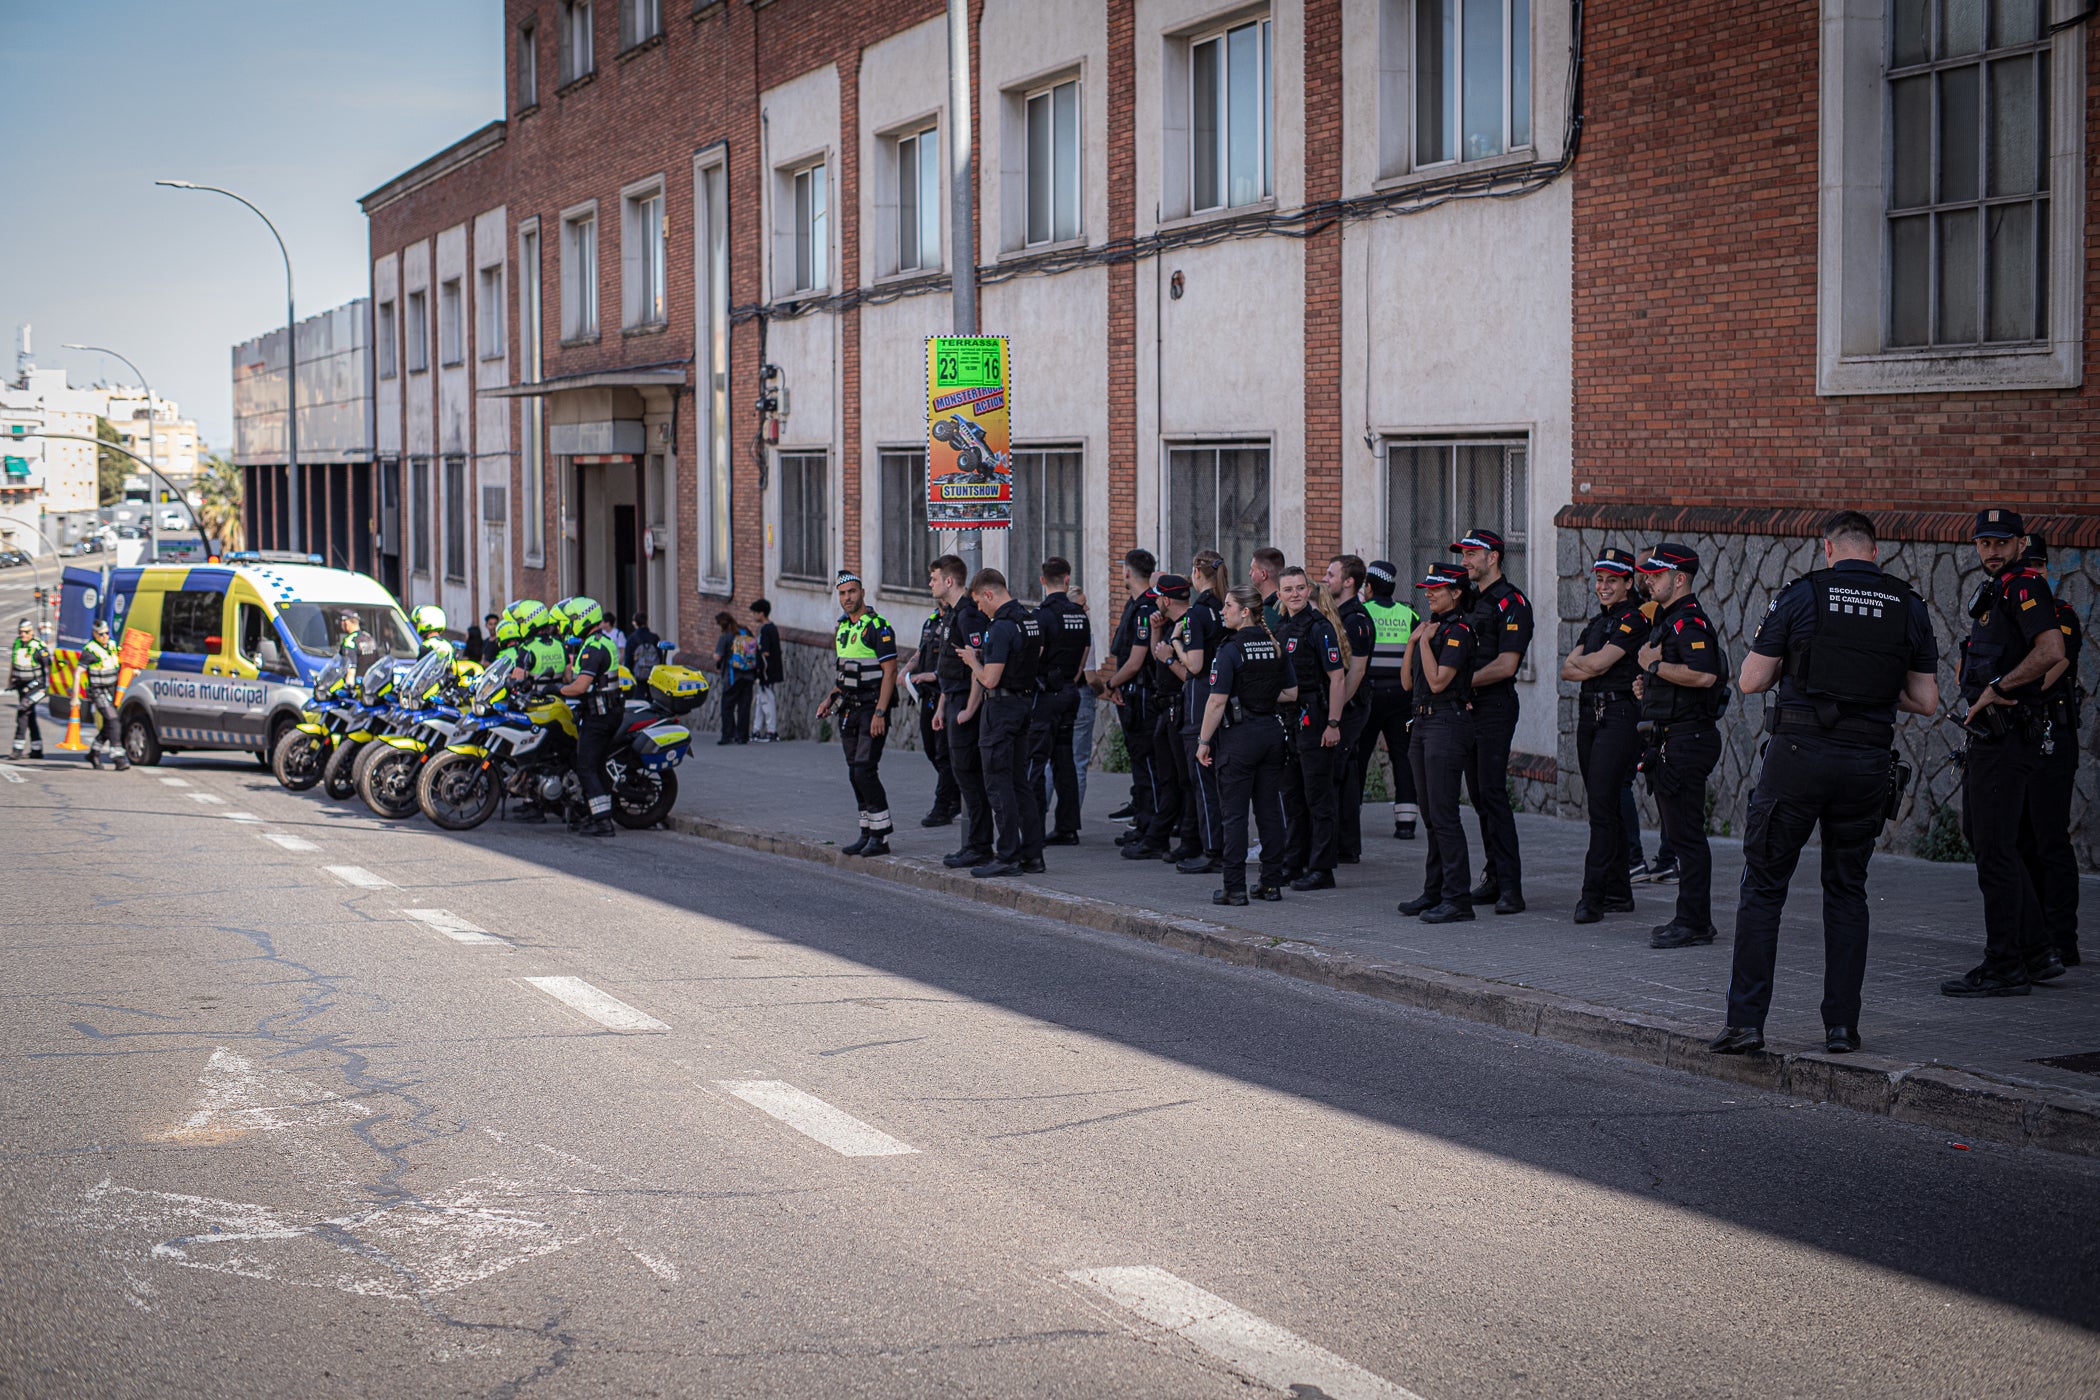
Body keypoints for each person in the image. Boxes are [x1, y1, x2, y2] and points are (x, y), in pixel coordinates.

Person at [1708, 511, 1939, 1055]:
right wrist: (1875, 693)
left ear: (1829, 549)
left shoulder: (1802, 594)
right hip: (1866, 765)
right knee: (1847, 891)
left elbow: (1750, 680)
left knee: (1764, 888)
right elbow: (1926, 701)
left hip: (1798, 757)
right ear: (1875, 551)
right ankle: (1842, 1028)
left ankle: (1745, 1024)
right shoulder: (1907, 604)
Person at [1943, 508, 2068, 996]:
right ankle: (2037, 950)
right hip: (1992, 739)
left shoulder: (2024, 586)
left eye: (2002, 542)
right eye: (1984, 542)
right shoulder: (1997, 591)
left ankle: (2004, 966)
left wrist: (1997, 688)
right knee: (1984, 835)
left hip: (2007, 735)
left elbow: (2051, 651)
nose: (1992, 551)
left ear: (2020, 543)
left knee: (1994, 850)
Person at [1633, 543, 1729, 949]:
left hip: (1686, 741)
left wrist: (1653, 666)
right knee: (1681, 834)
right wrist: (1649, 686)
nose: (1648, 580)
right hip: (1673, 739)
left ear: (1680, 579)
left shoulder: (1687, 621)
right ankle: (1690, 918)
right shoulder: (1669, 619)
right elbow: (1677, 679)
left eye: (1656, 575)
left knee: (1686, 836)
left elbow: (1704, 675)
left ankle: (1694, 922)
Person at [1561, 547, 1650, 923]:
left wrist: (1588, 665)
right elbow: (1567, 669)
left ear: (1629, 582)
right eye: (1599, 580)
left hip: (1618, 715)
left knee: (1601, 805)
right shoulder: (1596, 625)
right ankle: (1619, 892)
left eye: (1612, 580)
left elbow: (1592, 663)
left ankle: (1592, 897)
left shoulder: (1634, 621)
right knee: (1607, 804)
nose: (1603, 586)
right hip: (1590, 717)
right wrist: (1588, 666)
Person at [1196, 585, 1299, 905]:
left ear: (1245, 612)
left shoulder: (1230, 649)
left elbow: (1216, 701)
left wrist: (1202, 742)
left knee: (1235, 815)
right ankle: (1270, 884)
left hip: (1239, 738)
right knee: (1269, 811)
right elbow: (1291, 693)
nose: (1222, 611)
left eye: (1228, 606)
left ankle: (1235, 887)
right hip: (1270, 733)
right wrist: (1262, 698)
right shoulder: (1274, 645)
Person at [1451, 527, 1534, 914]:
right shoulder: (1466, 598)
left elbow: (1506, 664)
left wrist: (1459, 684)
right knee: (1480, 796)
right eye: (1463, 554)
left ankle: (1511, 888)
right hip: (1466, 707)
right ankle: (1494, 875)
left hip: (1493, 706)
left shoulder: (1512, 602)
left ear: (1493, 557)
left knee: (1493, 793)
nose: (1464, 561)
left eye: (1471, 554)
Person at [2018, 535, 2084, 968]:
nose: (2035, 574)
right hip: (2016, 737)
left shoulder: (2060, 616)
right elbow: (1967, 667)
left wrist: (2003, 683)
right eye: (2028, 567)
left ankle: (2062, 939)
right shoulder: (2005, 614)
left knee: (2050, 840)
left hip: (2050, 737)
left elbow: (2048, 671)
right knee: (2019, 841)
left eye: (2039, 566)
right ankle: (2034, 937)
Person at [1397, 565, 1477, 922]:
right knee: (1429, 814)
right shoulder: (1432, 629)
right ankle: (1434, 891)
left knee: (1444, 815)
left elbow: (1439, 680)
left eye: (1437, 589)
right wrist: (1413, 642)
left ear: (1456, 592)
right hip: (1423, 722)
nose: (1428, 593)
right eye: (1426, 589)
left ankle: (1458, 898)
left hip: (1447, 722)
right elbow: (1407, 684)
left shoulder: (1458, 630)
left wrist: (1425, 643)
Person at [959, 568, 1044, 877]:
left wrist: (973, 661)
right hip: (1024, 703)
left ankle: (1006, 855)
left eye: (980, 602)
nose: (979, 609)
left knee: (998, 783)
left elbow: (990, 679)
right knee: (1020, 782)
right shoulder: (1030, 620)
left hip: (1001, 709)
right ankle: (1033, 856)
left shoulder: (1001, 628)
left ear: (989, 594)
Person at [1275, 565, 1348, 890]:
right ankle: (1294, 862)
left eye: (1300, 588)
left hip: (1314, 718)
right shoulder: (1280, 628)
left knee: (1318, 797)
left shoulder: (1320, 628)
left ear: (1309, 590)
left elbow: (1337, 677)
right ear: (1279, 594)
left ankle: (1321, 869)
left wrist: (1333, 723)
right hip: (1287, 720)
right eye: (1288, 589)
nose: (1294, 594)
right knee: (1292, 795)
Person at [814, 572, 897, 855]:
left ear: (862, 592)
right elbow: (844, 674)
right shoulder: (842, 628)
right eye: (842, 593)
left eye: (851, 592)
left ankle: (881, 836)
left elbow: (890, 672)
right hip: (848, 707)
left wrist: (881, 712)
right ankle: (866, 831)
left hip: (872, 707)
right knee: (854, 772)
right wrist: (830, 698)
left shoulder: (878, 626)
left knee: (864, 769)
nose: (847, 598)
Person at [928, 556, 994, 868]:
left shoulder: (968, 616)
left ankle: (979, 845)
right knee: (962, 774)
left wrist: (969, 708)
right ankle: (973, 843)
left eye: (934, 578)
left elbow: (975, 664)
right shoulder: (953, 615)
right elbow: (950, 668)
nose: (931, 583)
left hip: (965, 705)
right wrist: (942, 706)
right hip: (952, 700)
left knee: (970, 777)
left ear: (949, 581)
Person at [1167, 552, 1229, 872]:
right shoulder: (1225, 607)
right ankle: (1224, 846)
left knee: (1203, 780)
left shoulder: (1196, 614)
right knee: (1222, 781)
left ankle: (1212, 851)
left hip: (1200, 701)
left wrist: (1174, 645)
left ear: (1195, 572)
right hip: (1225, 699)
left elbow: (1194, 664)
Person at [1352, 560, 1420, 840]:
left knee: (1358, 757)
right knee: (1403, 756)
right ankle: (1406, 823)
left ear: (1368, 586)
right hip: (1402, 699)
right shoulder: (1408, 614)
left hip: (1368, 696)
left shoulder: (1361, 613)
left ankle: (1350, 817)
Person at [1128, 574, 1192, 861]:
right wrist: (1156, 632)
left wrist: (1169, 658)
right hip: (1165, 709)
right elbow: (1159, 658)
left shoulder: (1190, 626)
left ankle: (1179, 838)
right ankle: (1158, 836)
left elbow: (1191, 675)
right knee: (1168, 777)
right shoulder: (1170, 625)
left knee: (1182, 779)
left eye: (1157, 596)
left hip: (1181, 710)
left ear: (1166, 600)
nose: (1153, 601)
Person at [1029, 557, 1092, 846]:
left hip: (1046, 695)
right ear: (1067, 579)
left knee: (1036, 762)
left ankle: (1033, 828)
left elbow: (1035, 655)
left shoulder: (1042, 616)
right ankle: (1068, 828)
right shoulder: (1080, 615)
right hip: (1071, 692)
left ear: (1043, 581)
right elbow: (1082, 660)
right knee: (1064, 761)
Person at [555, 596, 623, 837]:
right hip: (605, 712)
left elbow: (580, 687)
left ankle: (603, 822)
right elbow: (572, 678)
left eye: (572, 619)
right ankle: (595, 815)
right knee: (596, 765)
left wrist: (553, 690)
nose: (568, 624)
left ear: (583, 619)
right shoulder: (598, 642)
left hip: (599, 715)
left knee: (585, 766)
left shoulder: (593, 648)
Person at [1325, 555, 1377, 862]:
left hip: (1351, 705)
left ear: (1349, 581)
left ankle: (1342, 845)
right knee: (1345, 775)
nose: (1326, 579)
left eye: (1332, 575)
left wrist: (1336, 710)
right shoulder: (1339, 614)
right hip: (1344, 705)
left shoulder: (1355, 618)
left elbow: (1355, 673)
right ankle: (1346, 845)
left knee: (1337, 772)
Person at [1105, 550, 1160, 840]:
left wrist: (1111, 683)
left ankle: (1149, 826)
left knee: (1146, 762)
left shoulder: (1144, 608)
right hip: (1133, 692)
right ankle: (1143, 818)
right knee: (1140, 762)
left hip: (1141, 695)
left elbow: (1136, 660)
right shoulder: (1137, 604)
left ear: (1127, 572)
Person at [906, 592, 961, 828]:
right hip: (927, 697)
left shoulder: (955, 622)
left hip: (945, 697)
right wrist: (906, 671)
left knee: (943, 754)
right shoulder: (931, 622)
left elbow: (956, 661)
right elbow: (920, 652)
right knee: (931, 750)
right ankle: (955, 794)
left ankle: (943, 805)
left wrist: (935, 675)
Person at [1066, 585, 1099, 818]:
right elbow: (1090, 675)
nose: (1086, 608)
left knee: (1049, 762)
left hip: (1055, 696)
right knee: (1078, 762)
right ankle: (1071, 819)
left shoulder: (1052, 626)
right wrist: (1105, 689)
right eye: (1082, 604)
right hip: (1080, 695)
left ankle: (1041, 814)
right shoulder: (1083, 631)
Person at [713, 611, 757, 744]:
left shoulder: (725, 636)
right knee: (744, 707)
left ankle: (728, 735)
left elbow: (718, 656)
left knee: (727, 706)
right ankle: (743, 736)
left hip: (732, 677)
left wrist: (716, 658)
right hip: (748, 675)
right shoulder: (746, 631)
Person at [11, 619, 51, 759]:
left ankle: (17, 749)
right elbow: (13, 662)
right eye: (21, 632)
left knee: (23, 712)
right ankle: (36, 749)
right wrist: (10, 679)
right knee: (30, 715)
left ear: (32, 632)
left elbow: (48, 667)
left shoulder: (38, 646)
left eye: (26, 632)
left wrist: (46, 688)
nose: (23, 635)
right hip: (21, 686)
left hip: (36, 686)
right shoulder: (17, 643)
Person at [750, 600, 783, 741]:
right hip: (769, 671)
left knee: (767, 701)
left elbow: (765, 653)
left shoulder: (765, 630)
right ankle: (756, 729)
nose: (753, 616)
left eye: (755, 613)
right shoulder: (772, 628)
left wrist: (760, 668)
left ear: (761, 613)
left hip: (766, 672)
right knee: (760, 701)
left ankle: (771, 731)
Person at [1250, 547, 1287, 630]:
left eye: (1252, 570)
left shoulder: (1269, 613)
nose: (1249, 573)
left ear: (1263, 574)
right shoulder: (1288, 605)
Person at [625, 611, 664, 682]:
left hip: (638, 674)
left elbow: (628, 659)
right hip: (653, 673)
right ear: (646, 622)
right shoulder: (654, 637)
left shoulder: (632, 638)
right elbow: (660, 656)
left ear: (635, 623)